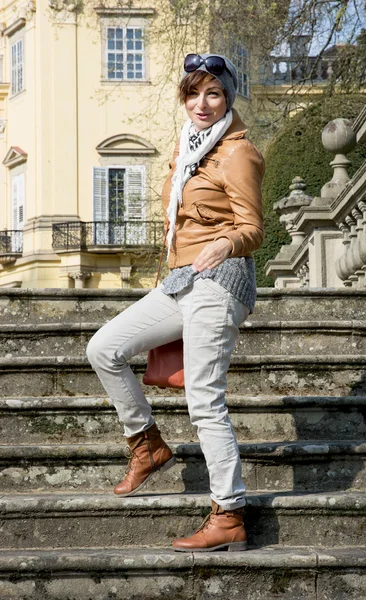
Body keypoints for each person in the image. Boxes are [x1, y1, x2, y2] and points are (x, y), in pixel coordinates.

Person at [86, 52, 265, 552]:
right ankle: (146, 445)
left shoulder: (237, 153)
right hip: (181, 280)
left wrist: (225, 243)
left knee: (204, 399)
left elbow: (253, 228)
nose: (202, 103)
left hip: (220, 279)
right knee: (104, 348)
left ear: (228, 96)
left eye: (213, 93)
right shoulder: (187, 149)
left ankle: (228, 513)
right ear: (184, 98)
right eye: (193, 93)